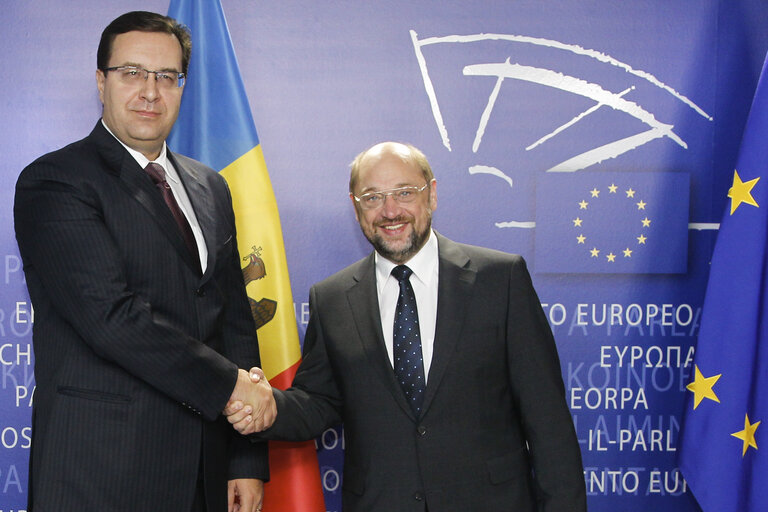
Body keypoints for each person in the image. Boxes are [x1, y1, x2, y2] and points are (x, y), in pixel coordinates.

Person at [226, 142, 587, 511]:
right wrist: (268, 407)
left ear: (431, 195)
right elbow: (319, 402)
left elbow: (549, 425)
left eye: (404, 193)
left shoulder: (500, 280)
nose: (390, 210)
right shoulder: (332, 299)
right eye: (373, 197)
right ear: (355, 207)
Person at [14, 11, 275, 512]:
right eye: (132, 73)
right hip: (101, 473)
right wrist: (232, 387)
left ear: (182, 86)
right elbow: (110, 318)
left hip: (204, 474)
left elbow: (234, 321)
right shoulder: (56, 181)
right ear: (101, 82)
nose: (150, 91)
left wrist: (243, 458)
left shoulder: (210, 187)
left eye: (166, 77)